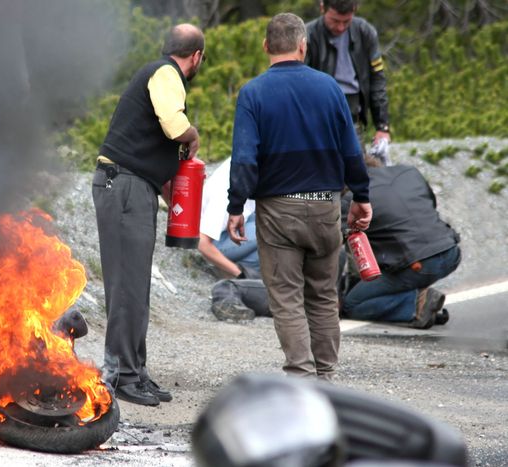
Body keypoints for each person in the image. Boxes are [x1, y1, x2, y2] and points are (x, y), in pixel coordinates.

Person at [227, 13, 372, 381]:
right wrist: (362, 195)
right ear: (303, 45)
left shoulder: (253, 93)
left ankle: (301, 380)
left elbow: (245, 158)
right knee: (323, 296)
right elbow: (351, 151)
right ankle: (326, 379)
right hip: (326, 207)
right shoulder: (329, 89)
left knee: (288, 299)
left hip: (279, 211)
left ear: (266, 47)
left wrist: (235, 207)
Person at [92, 24, 205, 406]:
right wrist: (193, 136)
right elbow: (173, 124)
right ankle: (121, 375)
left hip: (133, 187)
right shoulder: (166, 73)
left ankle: (135, 371)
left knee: (135, 285)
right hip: (122, 185)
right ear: (197, 57)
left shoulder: (159, 74)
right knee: (125, 285)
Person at [340, 156, 461, 328]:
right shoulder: (409, 172)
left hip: (419, 264)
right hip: (450, 251)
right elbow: (430, 205)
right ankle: (426, 306)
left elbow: (330, 243)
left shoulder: (352, 199)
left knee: (352, 305)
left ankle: (416, 305)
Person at [305, 0, 391, 163]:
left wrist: (382, 127)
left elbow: (377, 80)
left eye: (346, 21)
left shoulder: (364, 32)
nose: (340, 27)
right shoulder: (308, 35)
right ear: (322, 7)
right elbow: (297, 84)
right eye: (335, 21)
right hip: (318, 116)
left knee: (356, 172)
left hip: (352, 113)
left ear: (355, 10)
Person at [198, 157, 259, 279]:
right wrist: (239, 274)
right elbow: (201, 241)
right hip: (218, 242)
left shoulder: (245, 160)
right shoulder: (224, 195)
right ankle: (233, 273)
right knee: (273, 234)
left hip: (238, 226)